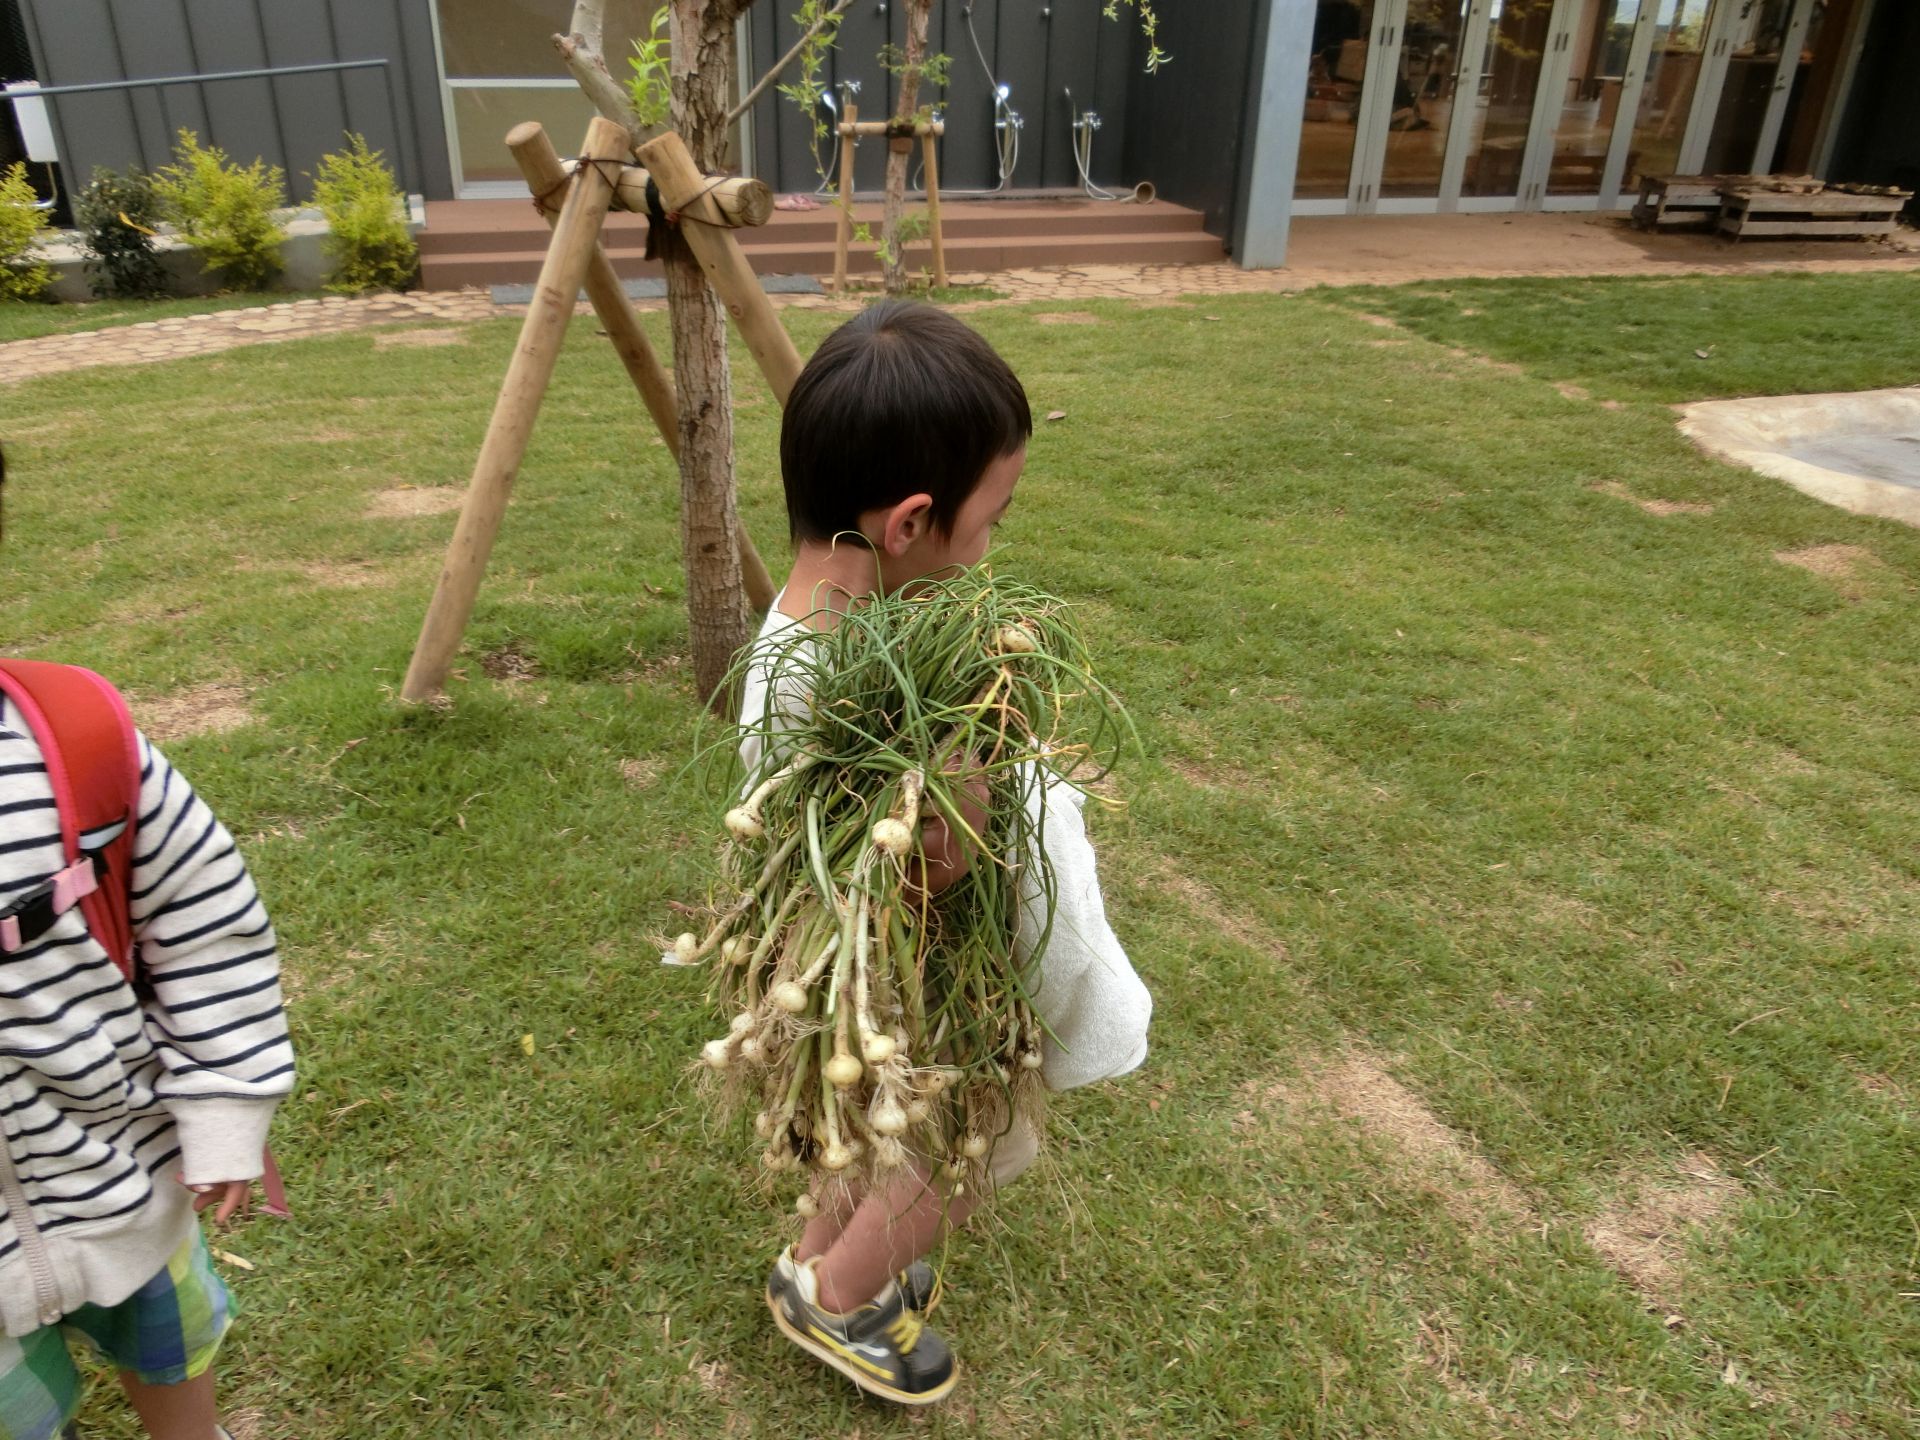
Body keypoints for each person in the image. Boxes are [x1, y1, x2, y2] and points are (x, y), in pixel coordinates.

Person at [739, 303, 1153, 1405]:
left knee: (882, 1128)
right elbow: (914, 884)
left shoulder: (800, 636)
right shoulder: (841, 702)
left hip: (877, 1002)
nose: (991, 552)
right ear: (911, 522)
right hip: (923, 992)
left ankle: (819, 1251)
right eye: (992, 523)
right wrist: (966, 813)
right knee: (971, 1148)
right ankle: (837, 1302)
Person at [0, 447, 295, 1440]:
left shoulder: (73, 745)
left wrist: (221, 1114)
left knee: (178, 1353)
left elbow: (208, 925)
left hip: (127, 1186)